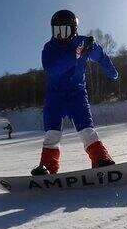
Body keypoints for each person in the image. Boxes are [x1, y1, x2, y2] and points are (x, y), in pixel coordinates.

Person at [31, 9, 119, 175]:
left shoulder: (83, 43)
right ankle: (48, 168)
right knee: (52, 132)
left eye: (65, 30)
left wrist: (111, 71)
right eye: (57, 31)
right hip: (55, 96)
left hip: (76, 94)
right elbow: (52, 70)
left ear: (73, 30)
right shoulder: (49, 48)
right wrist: (75, 56)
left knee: (86, 129)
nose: (61, 35)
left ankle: (101, 159)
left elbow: (100, 56)